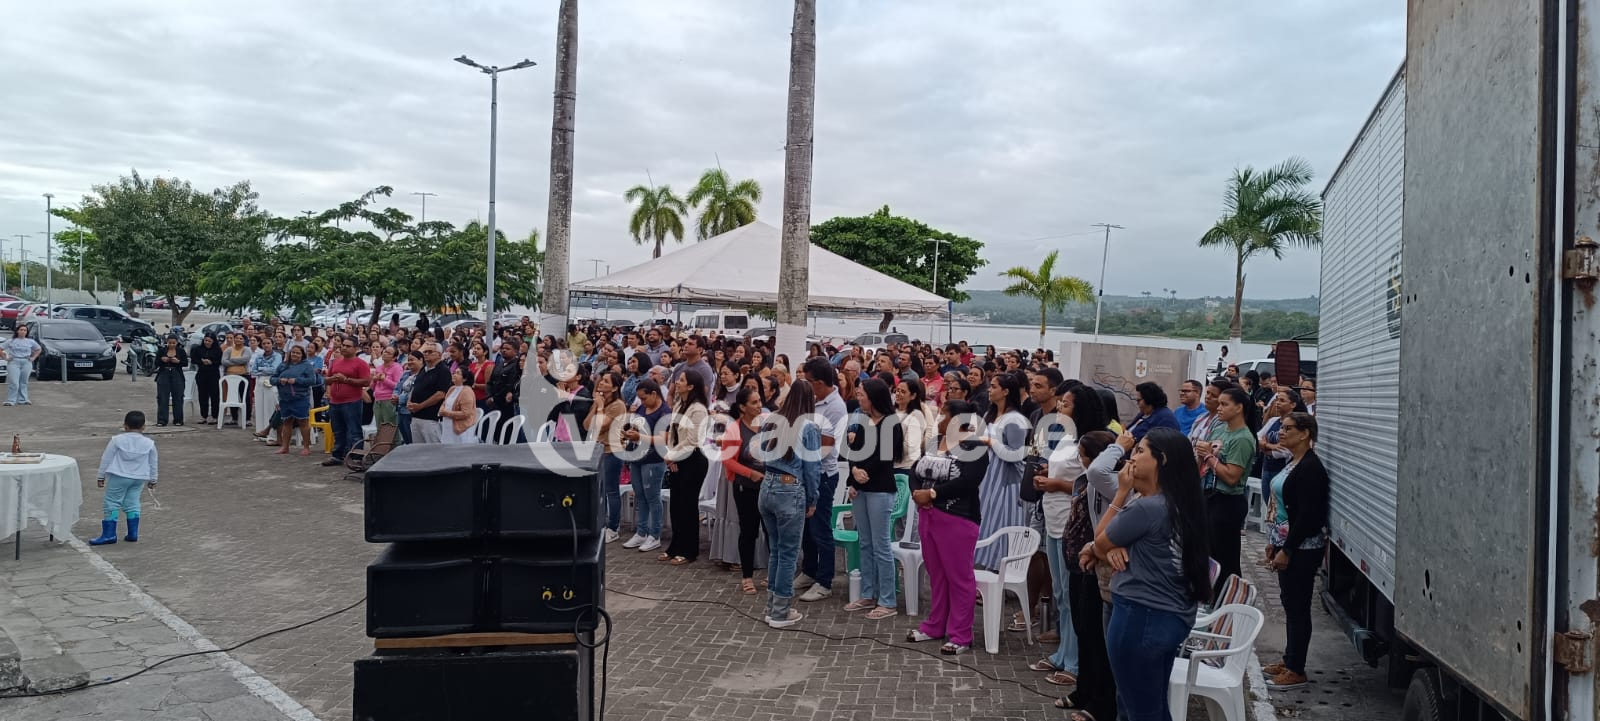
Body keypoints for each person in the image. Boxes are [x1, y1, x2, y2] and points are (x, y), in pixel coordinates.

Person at [1085, 428, 1211, 721]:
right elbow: (1108, 546)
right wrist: (1111, 548)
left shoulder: (1148, 507)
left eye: (1140, 451)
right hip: (1169, 615)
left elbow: (1099, 541)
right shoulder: (1178, 502)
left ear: (1161, 460)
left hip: (1141, 616)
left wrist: (1120, 493)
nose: (1132, 457)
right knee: (1147, 705)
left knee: (1142, 710)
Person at [905, 399, 988, 655]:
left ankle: (961, 634)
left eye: (944, 415)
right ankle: (935, 625)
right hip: (929, 515)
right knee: (937, 574)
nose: (939, 419)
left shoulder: (974, 447)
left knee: (959, 577)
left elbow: (968, 481)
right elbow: (915, 470)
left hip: (957, 518)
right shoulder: (934, 442)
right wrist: (917, 493)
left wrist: (932, 494)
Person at [1056, 430, 1122, 719]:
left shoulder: (1111, 481)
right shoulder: (1088, 479)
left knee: (1097, 636)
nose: (1079, 458)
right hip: (1082, 562)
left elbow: (1097, 469)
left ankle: (1101, 701)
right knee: (1083, 628)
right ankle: (1083, 690)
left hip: (1102, 564)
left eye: (1082, 454)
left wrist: (1119, 446)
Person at [1261, 412, 1329, 690]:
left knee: (1298, 606)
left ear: (1305, 434)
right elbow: (1282, 509)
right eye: (1282, 428)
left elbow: (1307, 516)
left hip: (1302, 548)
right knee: (1289, 603)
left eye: (1288, 428)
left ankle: (1296, 669)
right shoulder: (1293, 462)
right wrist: (1274, 542)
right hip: (1286, 542)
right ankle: (1289, 658)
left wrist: (1287, 550)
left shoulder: (1310, 468)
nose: (1282, 432)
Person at [754, 380, 822, 628]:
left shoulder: (772, 419)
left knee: (777, 550)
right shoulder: (808, 427)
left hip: (768, 485)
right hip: (790, 488)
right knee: (788, 554)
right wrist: (813, 498)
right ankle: (780, 612)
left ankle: (773, 606)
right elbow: (812, 468)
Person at [842, 378, 905, 620]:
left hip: (880, 488)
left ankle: (887, 600)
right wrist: (853, 474)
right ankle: (867, 593)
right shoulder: (863, 421)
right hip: (861, 488)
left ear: (874, 397)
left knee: (881, 545)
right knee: (865, 543)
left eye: (862, 394)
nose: (859, 398)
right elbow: (853, 451)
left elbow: (883, 458)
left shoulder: (891, 423)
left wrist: (861, 473)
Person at [797, 358, 847, 602]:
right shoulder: (813, 400)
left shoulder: (835, 407)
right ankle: (809, 570)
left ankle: (824, 581)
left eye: (808, 381)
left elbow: (825, 447)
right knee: (806, 528)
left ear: (818, 382)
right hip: (806, 472)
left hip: (823, 475)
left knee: (821, 528)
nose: (806, 385)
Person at [1199, 387, 1257, 594]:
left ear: (1239, 408)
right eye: (1219, 403)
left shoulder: (1243, 438)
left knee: (1225, 559)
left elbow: (1232, 477)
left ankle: (1228, 599)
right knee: (1209, 554)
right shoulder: (1220, 429)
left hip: (1227, 501)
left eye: (1225, 404)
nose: (1219, 408)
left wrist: (1208, 456)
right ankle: (1210, 595)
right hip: (1209, 495)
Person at [719, 387, 771, 594]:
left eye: (760, 401)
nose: (759, 406)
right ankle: (747, 576)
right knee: (749, 532)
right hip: (746, 487)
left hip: (769, 487)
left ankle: (772, 573)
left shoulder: (767, 422)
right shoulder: (734, 429)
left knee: (771, 531)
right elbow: (728, 460)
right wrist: (750, 473)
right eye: (754, 402)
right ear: (742, 407)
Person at [975, 372, 1028, 570]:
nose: (990, 390)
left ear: (1005, 392)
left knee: (1000, 522)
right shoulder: (990, 414)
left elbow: (1016, 454)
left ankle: (999, 567)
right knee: (985, 520)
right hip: (987, 477)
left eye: (994, 386)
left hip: (1005, 481)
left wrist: (991, 442)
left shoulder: (1015, 419)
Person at [659, 369, 711, 565]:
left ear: (690, 386)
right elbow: (673, 435)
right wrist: (672, 457)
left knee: (688, 506)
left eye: (681, 380)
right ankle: (675, 545)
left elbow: (692, 440)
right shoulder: (679, 404)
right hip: (677, 458)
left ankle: (689, 550)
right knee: (676, 505)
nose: (677, 383)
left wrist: (670, 456)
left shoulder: (698, 409)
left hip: (693, 460)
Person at [88, 411, 159, 546]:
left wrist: (101, 476)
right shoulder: (149, 443)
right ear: (144, 427)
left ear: (125, 426)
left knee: (112, 503)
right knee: (133, 502)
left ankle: (109, 534)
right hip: (139, 478)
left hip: (119, 476)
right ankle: (133, 533)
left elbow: (106, 458)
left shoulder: (117, 440)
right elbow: (153, 463)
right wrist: (153, 479)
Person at [621, 379, 670, 553]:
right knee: (640, 495)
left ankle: (654, 534)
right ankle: (641, 531)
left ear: (654, 394)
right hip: (637, 457)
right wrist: (630, 431)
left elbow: (663, 439)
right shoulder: (642, 409)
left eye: (644, 398)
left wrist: (639, 437)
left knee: (652, 497)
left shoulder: (665, 413)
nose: (642, 402)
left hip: (654, 460)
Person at [586, 371, 628, 543]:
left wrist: (600, 407)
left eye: (605, 381)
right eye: (601, 380)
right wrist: (597, 406)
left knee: (611, 490)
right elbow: (587, 425)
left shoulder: (618, 405)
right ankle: (601, 523)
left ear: (615, 387)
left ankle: (613, 527)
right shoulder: (600, 402)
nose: (601, 383)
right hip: (598, 451)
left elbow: (601, 426)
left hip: (612, 451)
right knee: (600, 489)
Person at [322, 338, 372, 465]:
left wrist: (346, 380)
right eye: (343, 345)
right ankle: (338, 456)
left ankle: (356, 456)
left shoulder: (361, 364)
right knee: (338, 430)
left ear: (355, 349)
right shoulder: (336, 362)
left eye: (348, 346)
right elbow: (326, 380)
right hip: (335, 402)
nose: (344, 348)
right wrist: (333, 379)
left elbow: (366, 382)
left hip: (352, 402)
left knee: (354, 430)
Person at [269, 345, 317, 456]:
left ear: (302, 355)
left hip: (300, 398)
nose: (295, 354)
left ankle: (306, 447)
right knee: (286, 422)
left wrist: (297, 380)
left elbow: (312, 380)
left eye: (298, 353)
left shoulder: (307, 366)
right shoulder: (283, 365)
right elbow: (272, 379)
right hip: (285, 398)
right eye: (293, 352)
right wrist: (279, 380)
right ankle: (285, 447)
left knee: (303, 422)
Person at [406, 344, 451, 444]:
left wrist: (420, 406)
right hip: (416, 416)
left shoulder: (443, 370)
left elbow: (440, 394)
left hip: (430, 418)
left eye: (430, 352)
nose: (426, 354)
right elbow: (415, 387)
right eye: (425, 352)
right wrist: (409, 402)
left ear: (439, 354)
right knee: (418, 448)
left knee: (432, 448)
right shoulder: (423, 369)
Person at [438, 365, 481, 444]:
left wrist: (446, 413)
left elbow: (465, 413)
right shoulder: (452, 388)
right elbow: (445, 403)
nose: (454, 375)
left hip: (461, 429)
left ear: (464, 379)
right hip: (448, 426)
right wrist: (441, 409)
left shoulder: (467, 391)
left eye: (457, 373)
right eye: (454, 372)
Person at [0, 324, 41, 407]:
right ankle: (11, 400)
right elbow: (1, 348)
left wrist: (33, 357)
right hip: (14, 362)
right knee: (14, 382)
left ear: (27, 332)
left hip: (26, 362)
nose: (23, 331)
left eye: (25, 330)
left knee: (24, 382)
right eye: (21, 330)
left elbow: (38, 349)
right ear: (17, 331)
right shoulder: (11, 341)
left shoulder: (30, 341)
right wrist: (5, 358)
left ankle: (23, 399)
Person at [153, 334, 189, 427]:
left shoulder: (181, 351)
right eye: (170, 343)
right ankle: (162, 420)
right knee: (162, 397)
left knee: (178, 397)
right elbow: (156, 362)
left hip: (177, 374)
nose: (171, 345)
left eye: (173, 343)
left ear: (177, 343)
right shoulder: (161, 351)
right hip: (164, 374)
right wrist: (162, 360)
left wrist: (178, 361)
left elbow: (185, 363)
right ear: (167, 342)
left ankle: (178, 419)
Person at [193, 334, 223, 425]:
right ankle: (204, 416)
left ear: (213, 341)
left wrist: (211, 362)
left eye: (209, 341)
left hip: (213, 374)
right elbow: (194, 359)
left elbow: (220, 361)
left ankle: (215, 416)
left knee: (214, 396)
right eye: (206, 340)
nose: (207, 342)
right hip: (202, 374)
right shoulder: (199, 349)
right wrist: (201, 361)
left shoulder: (217, 350)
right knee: (202, 396)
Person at [371, 346, 404, 428]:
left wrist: (384, 380)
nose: (385, 354)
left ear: (394, 357)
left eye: (388, 353)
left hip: (389, 400)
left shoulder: (397, 367)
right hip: (377, 400)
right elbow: (373, 388)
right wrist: (374, 380)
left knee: (390, 428)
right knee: (379, 428)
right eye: (385, 351)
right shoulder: (379, 368)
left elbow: (398, 386)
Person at [394, 350, 421, 445]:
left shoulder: (422, 376)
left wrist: (400, 399)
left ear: (421, 360)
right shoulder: (405, 373)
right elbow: (397, 387)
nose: (409, 362)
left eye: (412, 360)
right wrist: (394, 396)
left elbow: (414, 392)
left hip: (410, 411)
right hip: (400, 409)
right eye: (408, 360)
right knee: (405, 438)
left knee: (412, 438)